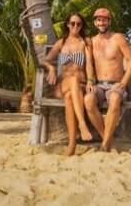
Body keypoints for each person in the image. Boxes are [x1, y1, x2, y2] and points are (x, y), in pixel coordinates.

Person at [43, 12, 95, 156]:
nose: (76, 26)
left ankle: (72, 144)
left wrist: (90, 80)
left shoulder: (85, 41)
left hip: (81, 84)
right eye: (72, 23)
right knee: (72, 81)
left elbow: (89, 64)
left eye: (79, 24)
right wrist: (51, 68)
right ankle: (82, 124)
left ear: (82, 25)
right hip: (63, 84)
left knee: (70, 98)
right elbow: (46, 60)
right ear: (67, 24)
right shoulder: (62, 42)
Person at [83, 7, 131, 152]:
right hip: (98, 85)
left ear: (109, 22)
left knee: (114, 98)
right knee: (88, 101)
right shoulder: (91, 42)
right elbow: (88, 64)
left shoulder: (118, 38)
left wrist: (124, 83)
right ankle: (108, 140)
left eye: (105, 20)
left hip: (116, 85)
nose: (102, 23)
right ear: (95, 23)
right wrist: (89, 80)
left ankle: (104, 144)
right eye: (99, 20)